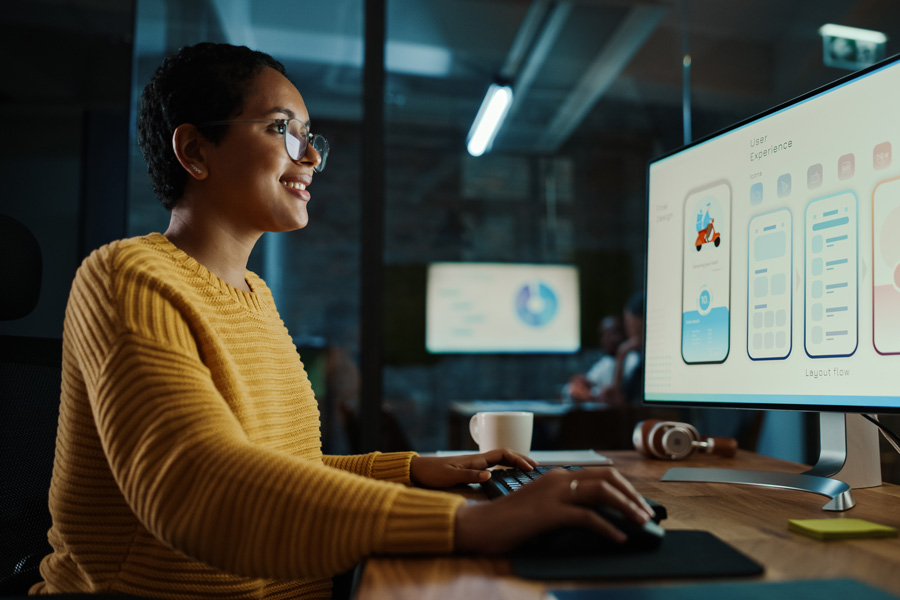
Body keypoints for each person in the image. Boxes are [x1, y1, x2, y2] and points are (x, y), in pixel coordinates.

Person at [31, 43, 654, 599]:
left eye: (310, 136)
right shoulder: (125, 277)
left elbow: (279, 467)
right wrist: (474, 522)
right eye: (282, 129)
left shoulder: (254, 295)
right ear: (195, 150)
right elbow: (197, 487)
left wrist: (410, 469)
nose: (310, 158)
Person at [564, 314, 625, 402]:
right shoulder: (606, 362)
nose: (607, 339)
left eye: (612, 333)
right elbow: (587, 382)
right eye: (603, 335)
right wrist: (583, 384)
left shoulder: (633, 361)